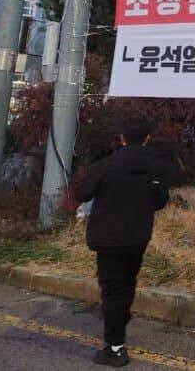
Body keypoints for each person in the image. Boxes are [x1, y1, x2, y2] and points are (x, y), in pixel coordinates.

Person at [72, 117, 171, 367]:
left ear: (122, 139)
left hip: (107, 237)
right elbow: (160, 201)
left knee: (112, 289)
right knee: (127, 282)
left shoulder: (106, 165)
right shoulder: (157, 167)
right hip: (138, 236)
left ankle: (115, 348)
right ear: (147, 139)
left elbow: (81, 193)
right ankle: (120, 319)